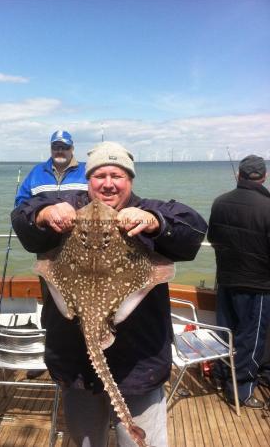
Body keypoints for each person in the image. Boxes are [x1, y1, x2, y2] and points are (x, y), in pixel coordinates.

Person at [11, 141, 207, 446]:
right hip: (75, 363)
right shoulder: (69, 208)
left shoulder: (147, 211)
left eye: (117, 175)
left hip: (139, 364)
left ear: (130, 180)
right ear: (88, 180)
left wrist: (155, 223)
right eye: (100, 175)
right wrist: (45, 212)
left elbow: (193, 230)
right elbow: (22, 217)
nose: (108, 183)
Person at [15, 130, 87, 379]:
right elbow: (21, 207)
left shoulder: (86, 171)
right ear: (50, 148)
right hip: (48, 255)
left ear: (72, 148)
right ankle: (50, 355)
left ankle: (84, 353)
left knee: (85, 304)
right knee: (52, 306)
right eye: (55, 146)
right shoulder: (36, 173)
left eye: (64, 146)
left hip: (83, 254)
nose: (59, 151)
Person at [208, 155, 270, 409]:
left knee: (227, 334)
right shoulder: (268, 206)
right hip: (258, 286)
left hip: (226, 280)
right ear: (264, 177)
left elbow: (212, 237)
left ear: (239, 175)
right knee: (250, 339)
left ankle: (222, 375)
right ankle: (241, 391)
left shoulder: (220, 202)